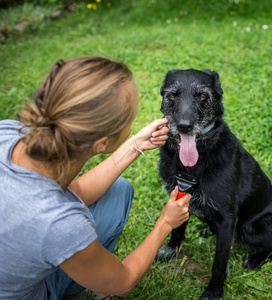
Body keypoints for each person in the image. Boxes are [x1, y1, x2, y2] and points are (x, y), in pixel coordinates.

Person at [0, 57, 191, 299]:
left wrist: (135, 144)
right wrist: (166, 222)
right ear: (101, 143)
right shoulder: (60, 224)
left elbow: (74, 191)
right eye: (129, 119)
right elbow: (123, 281)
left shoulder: (8, 132)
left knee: (118, 190)